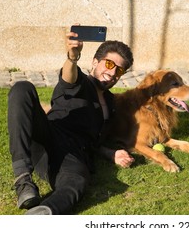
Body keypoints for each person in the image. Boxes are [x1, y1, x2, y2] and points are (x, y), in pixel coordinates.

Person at [7, 26, 135, 215]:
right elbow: (69, 78)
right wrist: (72, 58)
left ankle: (43, 215)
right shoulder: (81, 82)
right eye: (109, 64)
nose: (113, 72)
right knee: (22, 88)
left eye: (119, 70)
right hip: (48, 136)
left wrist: (111, 153)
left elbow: (94, 142)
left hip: (72, 156)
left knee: (77, 182)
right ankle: (23, 180)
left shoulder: (111, 103)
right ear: (94, 63)